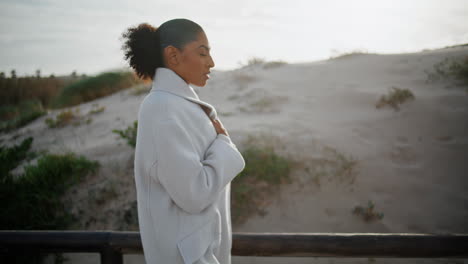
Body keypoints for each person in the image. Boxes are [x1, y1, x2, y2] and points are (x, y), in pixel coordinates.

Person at [121, 18, 246, 264]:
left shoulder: (178, 105)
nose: (211, 62)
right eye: (203, 53)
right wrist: (224, 145)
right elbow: (194, 194)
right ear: (173, 56)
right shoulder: (161, 107)